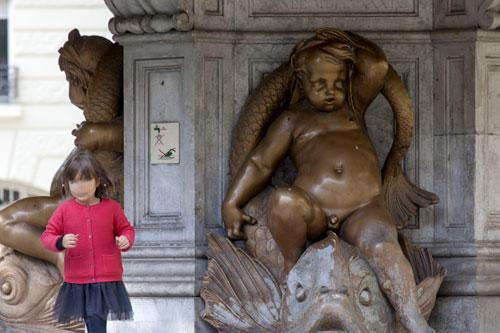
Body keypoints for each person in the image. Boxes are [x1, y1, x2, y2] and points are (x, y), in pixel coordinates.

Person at [222, 29, 435, 333]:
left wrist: (337, 41)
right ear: (301, 81)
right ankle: (293, 270)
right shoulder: (291, 120)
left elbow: (376, 67)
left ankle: (411, 315)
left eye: (337, 82)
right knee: (283, 200)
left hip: (363, 207)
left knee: (383, 246)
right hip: (314, 210)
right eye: (320, 84)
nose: (330, 91)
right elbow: (260, 162)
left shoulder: (353, 107)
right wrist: (232, 202)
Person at [41, 151, 134, 333]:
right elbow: (47, 237)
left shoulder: (112, 208)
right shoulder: (64, 210)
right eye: (73, 181)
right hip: (77, 279)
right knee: (91, 320)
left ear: (97, 181)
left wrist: (125, 239)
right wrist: (61, 241)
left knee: (96, 319)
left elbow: (126, 229)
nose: (79, 187)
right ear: (66, 184)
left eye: (85, 180)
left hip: (104, 279)